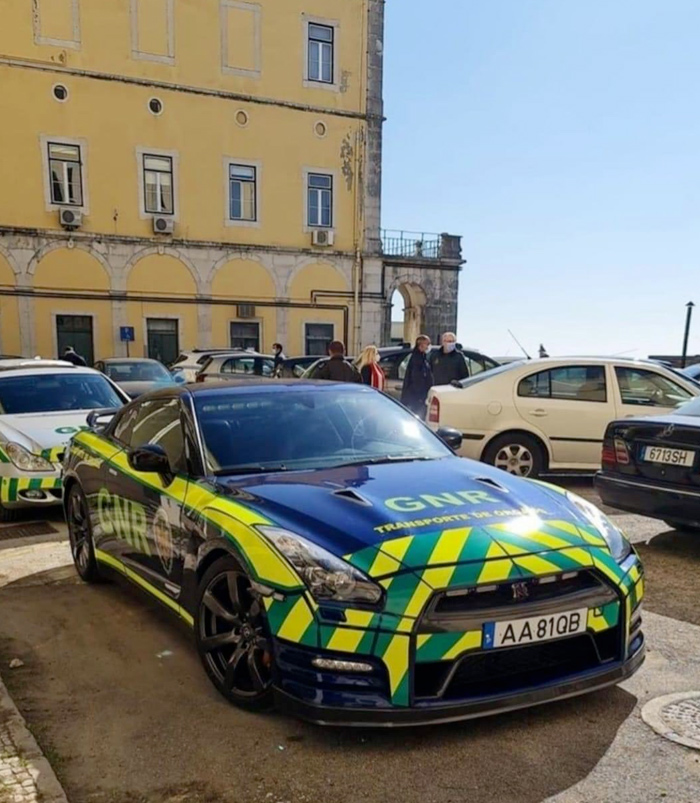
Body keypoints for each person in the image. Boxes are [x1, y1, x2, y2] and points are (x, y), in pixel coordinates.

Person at [401, 335, 433, 417]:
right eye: (427, 344)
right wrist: (421, 397)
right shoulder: (417, 359)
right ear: (421, 345)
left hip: (419, 397)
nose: (429, 346)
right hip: (416, 398)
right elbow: (417, 379)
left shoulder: (422, 358)